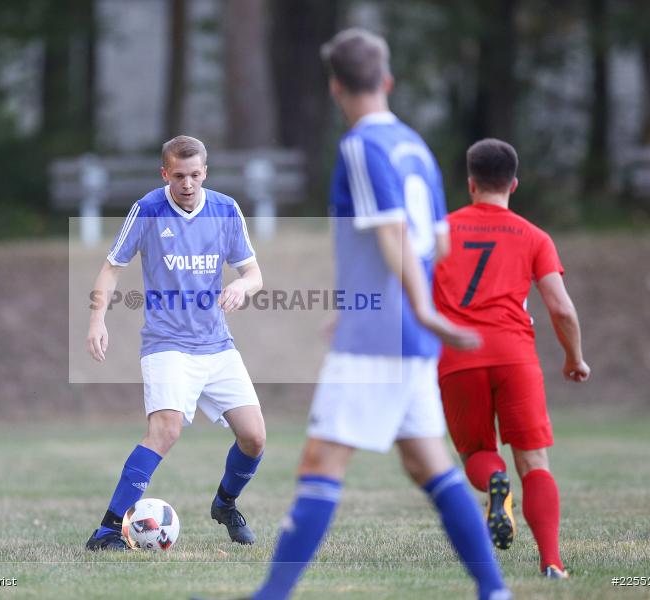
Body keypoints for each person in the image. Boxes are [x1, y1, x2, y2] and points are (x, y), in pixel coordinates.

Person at [250, 29, 511, 600]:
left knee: (321, 460)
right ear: (387, 81)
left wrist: (411, 304)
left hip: (382, 333)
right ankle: (494, 590)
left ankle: (269, 598)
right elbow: (438, 244)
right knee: (427, 464)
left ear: (335, 86)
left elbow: (392, 231)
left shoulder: (359, 147)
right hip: (403, 332)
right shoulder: (415, 146)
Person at [84, 135, 267, 551]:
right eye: (179, 175)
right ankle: (109, 530)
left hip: (218, 345)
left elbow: (254, 273)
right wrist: (97, 320)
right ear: (165, 173)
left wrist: (243, 285)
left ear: (206, 172)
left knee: (254, 438)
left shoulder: (224, 210)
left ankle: (225, 504)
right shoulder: (147, 210)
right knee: (164, 431)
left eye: (196, 175)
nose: (188, 183)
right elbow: (111, 268)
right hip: (167, 344)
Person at [433, 138, 590, 579]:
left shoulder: (440, 233)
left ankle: (495, 488)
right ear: (513, 184)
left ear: (470, 184)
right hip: (515, 355)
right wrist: (574, 358)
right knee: (535, 463)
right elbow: (560, 307)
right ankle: (552, 563)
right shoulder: (534, 236)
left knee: (478, 453)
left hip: (458, 357)